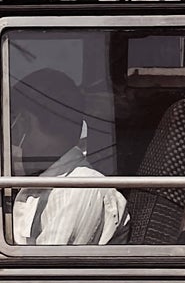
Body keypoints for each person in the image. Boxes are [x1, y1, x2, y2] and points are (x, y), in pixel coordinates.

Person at [8, 67, 127, 246]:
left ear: (24, 123)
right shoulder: (46, 185)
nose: (10, 135)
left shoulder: (78, 188)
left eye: (12, 122)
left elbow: (46, 269)